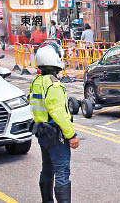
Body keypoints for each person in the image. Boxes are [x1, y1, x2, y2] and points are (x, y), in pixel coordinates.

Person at [28, 41, 79, 203]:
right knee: (62, 171)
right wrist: (71, 135)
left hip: (42, 133)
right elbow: (60, 113)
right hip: (56, 135)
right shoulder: (53, 84)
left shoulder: (37, 82)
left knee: (47, 170)